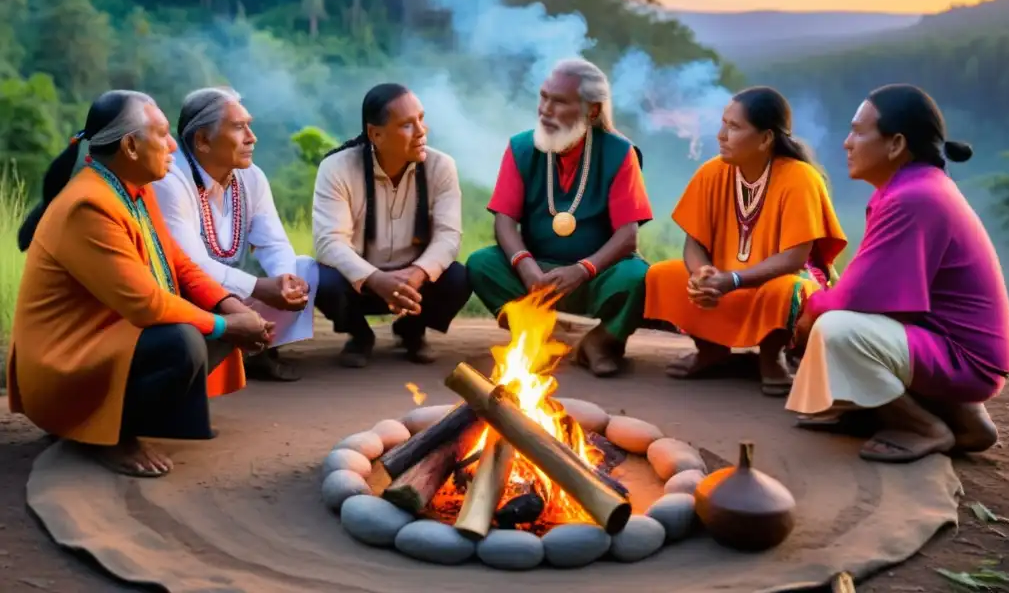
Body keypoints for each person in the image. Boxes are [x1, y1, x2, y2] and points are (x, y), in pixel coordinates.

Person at [7, 90, 270, 478]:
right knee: (182, 341)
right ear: (131, 145)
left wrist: (231, 307)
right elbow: (145, 304)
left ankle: (128, 417)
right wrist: (226, 325)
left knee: (212, 319)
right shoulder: (89, 205)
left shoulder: (135, 188)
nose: (171, 146)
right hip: (64, 364)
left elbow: (178, 263)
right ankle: (106, 436)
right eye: (162, 135)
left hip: (108, 337)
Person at [786, 84, 1009, 463]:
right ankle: (958, 417)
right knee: (836, 321)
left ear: (895, 145)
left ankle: (924, 427)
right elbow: (878, 290)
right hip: (949, 346)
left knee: (835, 330)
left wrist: (810, 311)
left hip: (965, 359)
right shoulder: (910, 187)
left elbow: (858, 297)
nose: (847, 143)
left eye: (859, 132)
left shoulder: (914, 197)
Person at [644, 87, 848, 395]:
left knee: (791, 291)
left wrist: (735, 279)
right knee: (662, 275)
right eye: (723, 123)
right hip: (723, 285)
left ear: (766, 138)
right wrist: (703, 275)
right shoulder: (711, 172)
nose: (721, 135)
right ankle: (711, 350)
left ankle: (772, 357)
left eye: (734, 127)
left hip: (771, 287)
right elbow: (693, 243)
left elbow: (794, 259)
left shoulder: (800, 178)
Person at [467, 58, 654, 378]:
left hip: (597, 273)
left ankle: (602, 342)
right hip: (536, 270)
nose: (545, 109)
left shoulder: (620, 152)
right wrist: (526, 267)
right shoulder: (521, 147)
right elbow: (504, 222)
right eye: (543, 97)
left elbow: (628, 236)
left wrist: (583, 270)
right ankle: (534, 335)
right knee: (481, 264)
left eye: (559, 101)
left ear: (592, 111)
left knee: (638, 276)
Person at [152, 87, 318, 382]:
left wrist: (283, 282)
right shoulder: (170, 182)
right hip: (191, 293)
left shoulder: (251, 175)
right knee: (193, 289)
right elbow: (193, 267)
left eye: (249, 126)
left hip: (234, 290)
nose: (251, 137)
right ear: (203, 140)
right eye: (239, 128)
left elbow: (273, 242)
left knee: (304, 270)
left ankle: (256, 348)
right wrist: (259, 287)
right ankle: (230, 350)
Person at [312, 82, 471, 368]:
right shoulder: (337, 168)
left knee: (458, 278)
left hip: (415, 284)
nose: (422, 131)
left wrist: (417, 274)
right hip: (359, 283)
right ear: (376, 134)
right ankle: (359, 334)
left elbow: (448, 237)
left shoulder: (441, 166)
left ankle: (412, 330)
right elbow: (329, 242)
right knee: (323, 280)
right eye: (407, 125)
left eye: (421, 119)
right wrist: (375, 278)